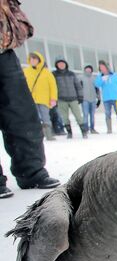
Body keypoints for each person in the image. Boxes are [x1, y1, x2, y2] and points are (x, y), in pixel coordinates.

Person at [1, 0, 60, 199]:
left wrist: (19, 27)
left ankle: (31, 172)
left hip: (4, 54)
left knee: (22, 114)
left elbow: (16, 13)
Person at [23, 52, 58, 140]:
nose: (32, 60)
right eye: (31, 59)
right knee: (34, 118)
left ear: (39, 60)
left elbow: (53, 86)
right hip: (30, 99)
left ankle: (48, 134)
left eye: (34, 59)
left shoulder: (46, 73)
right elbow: (21, 85)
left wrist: (53, 98)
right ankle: (38, 135)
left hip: (44, 99)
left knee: (45, 117)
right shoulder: (25, 71)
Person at [53, 59, 87, 138]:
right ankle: (69, 132)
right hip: (61, 99)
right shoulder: (54, 75)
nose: (61, 65)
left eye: (63, 63)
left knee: (78, 116)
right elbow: (53, 87)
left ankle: (83, 132)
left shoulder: (71, 74)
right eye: (59, 64)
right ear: (57, 65)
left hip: (73, 98)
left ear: (66, 64)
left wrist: (80, 96)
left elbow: (78, 86)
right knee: (65, 118)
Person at [95, 60, 117, 133]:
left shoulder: (115, 75)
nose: (102, 69)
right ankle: (109, 129)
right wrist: (102, 79)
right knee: (107, 113)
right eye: (100, 68)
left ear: (107, 67)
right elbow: (97, 84)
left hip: (116, 97)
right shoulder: (100, 76)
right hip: (106, 99)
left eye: (103, 67)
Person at [80, 65, 100, 134]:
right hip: (85, 99)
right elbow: (79, 89)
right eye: (87, 69)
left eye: (89, 69)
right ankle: (85, 129)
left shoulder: (94, 79)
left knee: (92, 114)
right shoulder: (81, 78)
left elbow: (97, 89)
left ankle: (92, 128)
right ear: (85, 70)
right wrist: (79, 98)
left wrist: (99, 100)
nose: (88, 70)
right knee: (85, 114)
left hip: (93, 99)